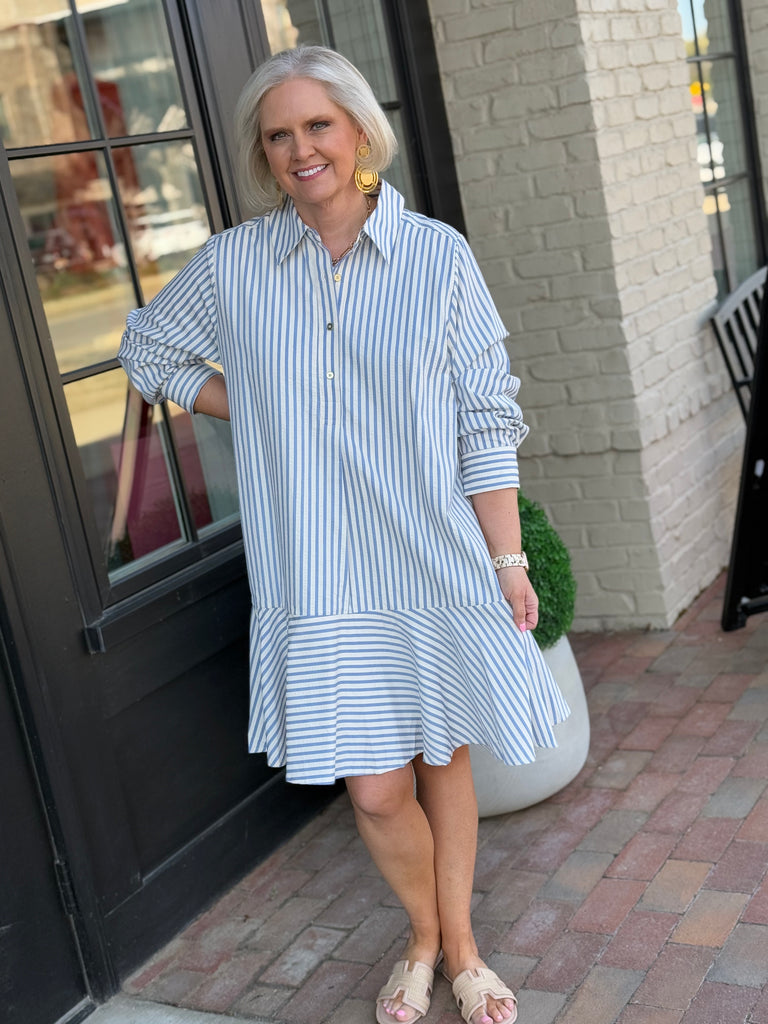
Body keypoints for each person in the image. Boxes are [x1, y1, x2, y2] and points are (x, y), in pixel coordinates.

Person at [119, 45, 569, 1024]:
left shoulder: (437, 258)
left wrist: (507, 559)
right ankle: (429, 935)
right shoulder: (236, 265)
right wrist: (250, 403)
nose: (300, 149)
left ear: (360, 130)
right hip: (315, 573)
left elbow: (486, 420)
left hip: (429, 554)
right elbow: (145, 346)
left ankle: (456, 951)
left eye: (317, 125)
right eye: (279, 135)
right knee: (375, 789)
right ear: (264, 153)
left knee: (443, 755)